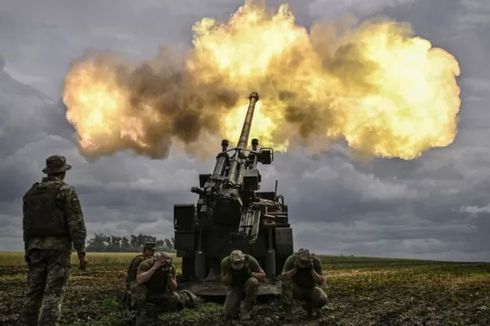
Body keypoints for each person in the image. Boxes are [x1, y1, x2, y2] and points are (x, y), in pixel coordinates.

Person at [20, 155, 87, 325]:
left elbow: (26, 224)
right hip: (58, 249)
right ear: (63, 172)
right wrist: (81, 253)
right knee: (53, 295)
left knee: (33, 294)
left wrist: (28, 249)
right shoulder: (66, 191)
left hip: (35, 248)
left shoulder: (31, 193)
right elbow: (76, 223)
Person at [133, 252, 198, 324]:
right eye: (163, 262)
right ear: (157, 260)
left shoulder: (170, 267)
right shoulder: (146, 264)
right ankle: (139, 309)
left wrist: (168, 275)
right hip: (146, 291)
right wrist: (154, 268)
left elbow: (173, 288)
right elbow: (139, 281)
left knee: (175, 297)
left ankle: (160, 309)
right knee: (137, 288)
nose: (164, 264)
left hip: (160, 291)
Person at [280, 248, 327, 317]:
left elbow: (321, 281)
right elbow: (283, 276)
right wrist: (295, 269)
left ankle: (309, 307)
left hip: (311, 288)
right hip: (296, 288)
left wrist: (311, 270)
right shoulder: (291, 259)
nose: (303, 265)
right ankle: (288, 312)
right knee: (285, 284)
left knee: (323, 299)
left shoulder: (315, 261)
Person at [220, 250, 266, 320]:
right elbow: (225, 282)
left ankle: (246, 309)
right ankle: (237, 308)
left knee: (253, 282)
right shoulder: (226, 262)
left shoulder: (249, 260)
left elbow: (263, 277)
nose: (237, 265)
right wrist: (230, 273)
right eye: (235, 263)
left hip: (248, 284)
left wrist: (250, 273)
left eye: (239, 263)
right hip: (234, 286)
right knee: (228, 315)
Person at [123, 241, 156, 307]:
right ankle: (135, 308)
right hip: (133, 281)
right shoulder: (140, 259)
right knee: (140, 290)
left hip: (141, 280)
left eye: (153, 251)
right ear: (145, 250)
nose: (152, 252)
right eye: (150, 250)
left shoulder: (148, 259)